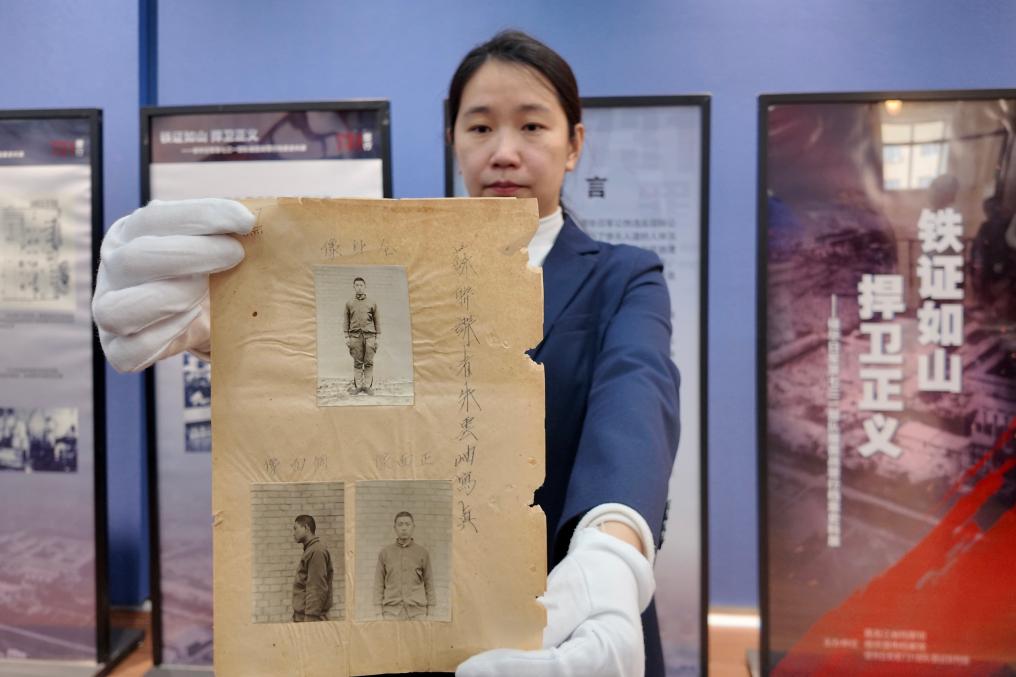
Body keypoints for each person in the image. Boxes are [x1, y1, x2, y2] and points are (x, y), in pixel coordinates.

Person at [92, 30, 680, 677]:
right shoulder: (403, 266)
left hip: (577, 622)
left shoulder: (624, 276)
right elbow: (340, 393)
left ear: (574, 144)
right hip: (420, 635)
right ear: (453, 140)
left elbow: (636, 402)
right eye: (480, 127)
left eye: (532, 126)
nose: (504, 152)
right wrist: (229, 326)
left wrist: (610, 556)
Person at [374, 511, 435, 620]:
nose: (404, 528)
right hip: (391, 612)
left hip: (417, 612)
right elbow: (379, 583)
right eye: (400, 524)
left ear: (413, 527)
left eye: (407, 524)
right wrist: (378, 612)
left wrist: (431, 611)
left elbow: (429, 582)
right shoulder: (385, 553)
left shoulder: (422, 553)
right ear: (395, 528)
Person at [291, 514, 334, 622]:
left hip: (310, 618)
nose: (293, 533)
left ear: (306, 528)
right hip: (302, 616)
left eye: (296, 528)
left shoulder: (316, 551)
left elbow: (317, 589)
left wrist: (310, 619)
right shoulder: (311, 550)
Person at [344, 276, 380, 395]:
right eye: (357, 285)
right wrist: (346, 337)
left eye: (361, 285)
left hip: (370, 337)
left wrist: (378, 338)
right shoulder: (349, 303)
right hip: (355, 337)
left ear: (365, 287)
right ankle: (358, 387)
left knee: (369, 362)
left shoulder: (372, 303)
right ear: (354, 287)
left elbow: (377, 321)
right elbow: (346, 321)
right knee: (357, 362)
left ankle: (367, 387)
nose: (359, 287)